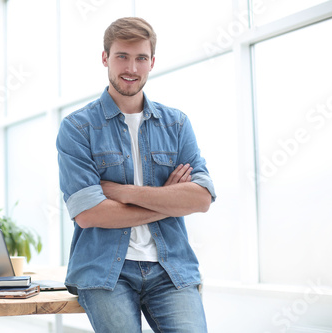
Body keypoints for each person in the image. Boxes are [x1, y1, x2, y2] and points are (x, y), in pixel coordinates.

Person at [56, 17, 216, 333]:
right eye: (122, 56)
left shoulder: (177, 124)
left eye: (141, 58)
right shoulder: (77, 128)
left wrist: (124, 193)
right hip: (105, 272)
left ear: (152, 62)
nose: (132, 67)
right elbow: (88, 214)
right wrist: (169, 201)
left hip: (172, 269)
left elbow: (201, 199)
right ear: (105, 58)